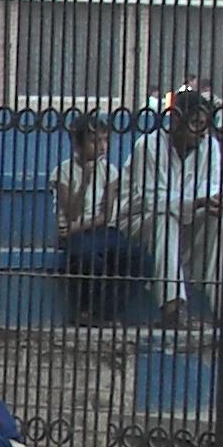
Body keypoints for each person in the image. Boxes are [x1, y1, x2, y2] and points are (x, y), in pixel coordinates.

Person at [126, 86, 223, 326]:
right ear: (176, 119)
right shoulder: (148, 146)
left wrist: (214, 201)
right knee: (165, 218)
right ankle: (172, 307)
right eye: (195, 124)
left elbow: (211, 187)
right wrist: (198, 201)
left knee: (218, 221)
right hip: (141, 222)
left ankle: (222, 307)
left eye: (205, 125)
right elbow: (153, 200)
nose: (201, 132)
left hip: (189, 220)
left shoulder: (209, 145)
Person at [50, 114, 148, 325]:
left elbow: (106, 215)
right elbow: (71, 213)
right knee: (89, 259)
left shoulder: (110, 171)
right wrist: (85, 181)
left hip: (97, 229)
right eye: (95, 142)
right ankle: (85, 310)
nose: (102, 147)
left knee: (138, 259)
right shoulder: (63, 172)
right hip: (75, 234)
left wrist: (78, 227)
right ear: (78, 145)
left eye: (105, 140)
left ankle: (107, 311)